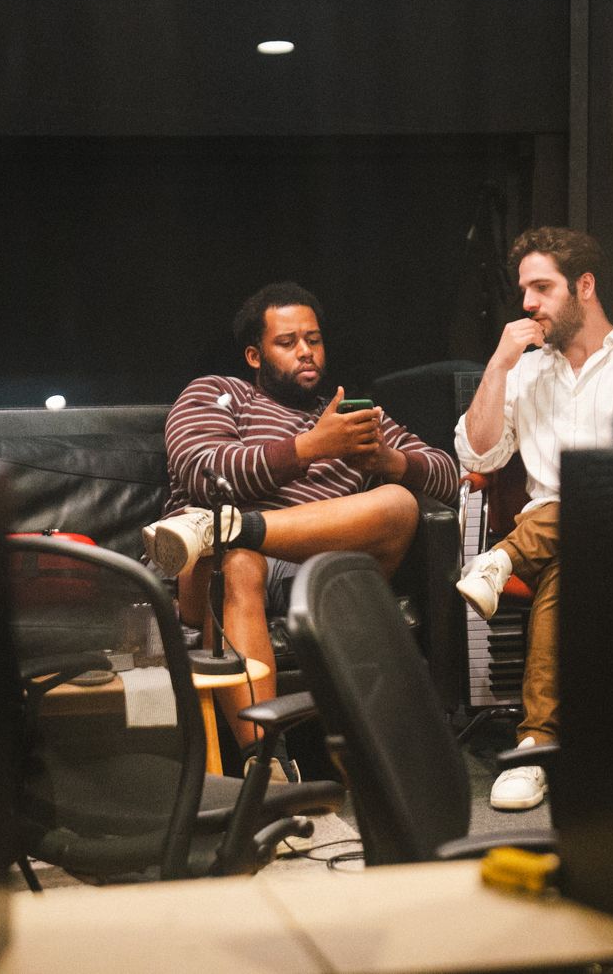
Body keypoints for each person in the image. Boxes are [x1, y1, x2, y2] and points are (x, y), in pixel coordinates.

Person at [146, 282, 457, 779]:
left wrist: (388, 459)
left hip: (311, 566)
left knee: (399, 504)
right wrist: (310, 447)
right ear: (255, 355)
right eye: (287, 342)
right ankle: (265, 763)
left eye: (313, 339)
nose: (306, 352)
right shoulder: (218, 393)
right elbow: (203, 471)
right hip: (217, 575)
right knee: (238, 560)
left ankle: (231, 528)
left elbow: (449, 476)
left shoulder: (349, 418)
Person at [454, 227, 613, 811]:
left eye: (542, 288)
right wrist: (498, 365)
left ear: (584, 287)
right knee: (569, 562)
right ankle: (539, 740)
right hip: (554, 542)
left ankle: (499, 562)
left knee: (592, 507)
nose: (528, 303)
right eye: (524, 290)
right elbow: (477, 456)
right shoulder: (524, 371)